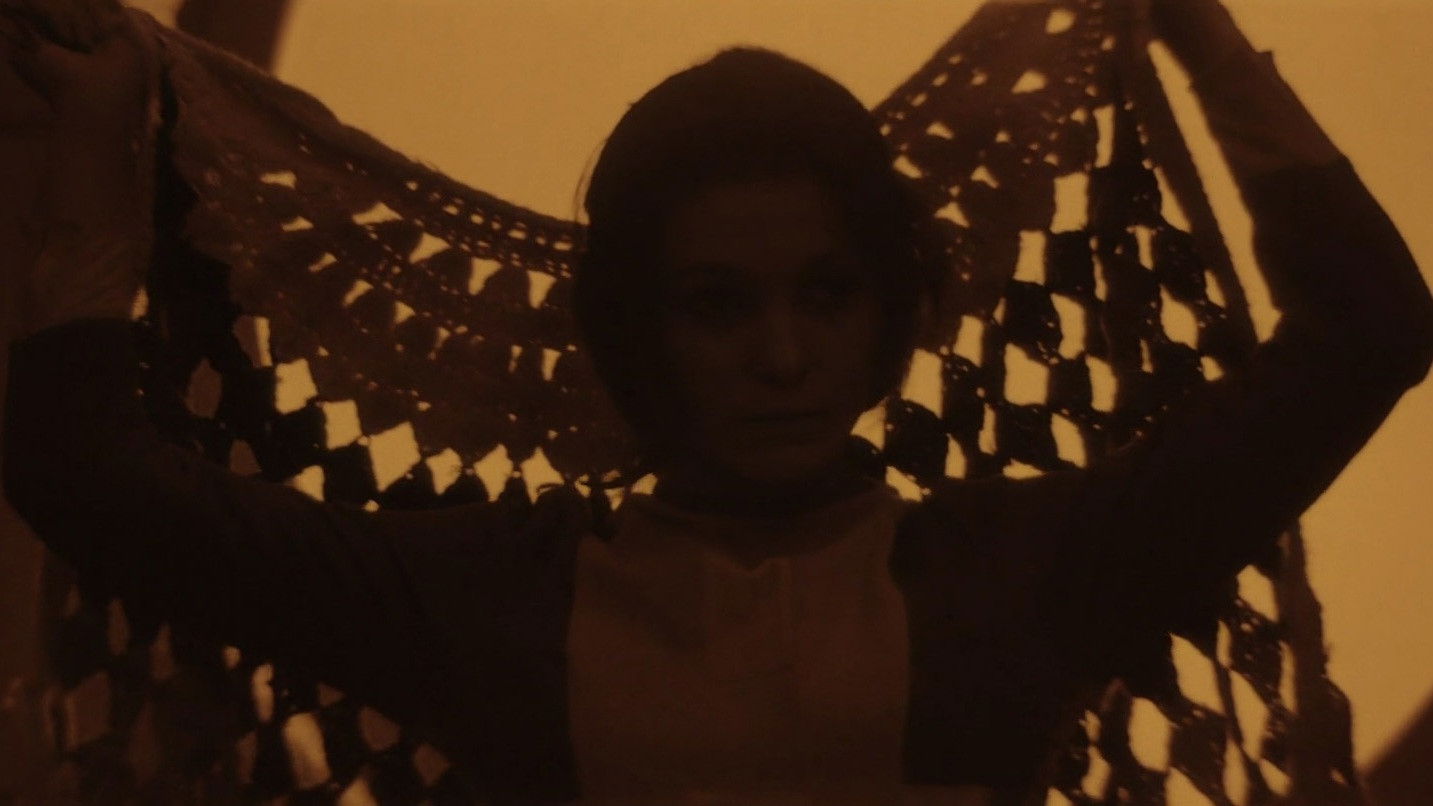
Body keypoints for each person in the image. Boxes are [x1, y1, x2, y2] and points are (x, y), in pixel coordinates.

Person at [3, 0, 1430, 803]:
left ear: (889, 311)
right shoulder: (495, 599)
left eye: (827, 293)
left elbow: (1369, 330)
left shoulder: (1019, 571)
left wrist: (1192, 29)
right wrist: (96, 142)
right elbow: (90, 479)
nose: (784, 355)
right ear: (637, 332)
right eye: (718, 304)